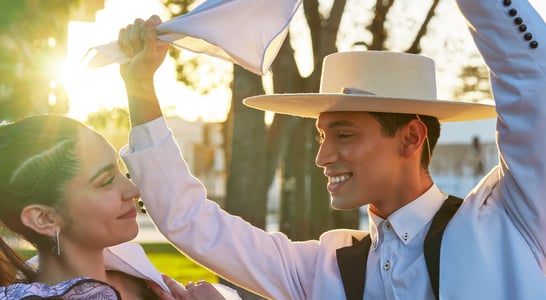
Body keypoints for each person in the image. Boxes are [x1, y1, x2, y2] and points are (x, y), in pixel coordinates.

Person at [120, 0, 546, 299]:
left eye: (344, 135)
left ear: (411, 138)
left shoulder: (510, 220)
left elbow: (532, 79)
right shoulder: (323, 269)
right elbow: (190, 221)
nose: (323, 157)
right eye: (322, 137)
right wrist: (140, 90)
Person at [0, 115, 235, 299]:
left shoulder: (143, 280)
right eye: (106, 181)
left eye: (122, 171)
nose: (133, 190)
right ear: (44, 218)